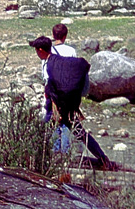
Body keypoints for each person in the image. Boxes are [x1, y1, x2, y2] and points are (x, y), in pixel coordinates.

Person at [29, 36, 110, 166]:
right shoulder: (56, 61)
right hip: (67, 105)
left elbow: (55, 86)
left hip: (60, 107)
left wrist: (58, 110)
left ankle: (47, 160)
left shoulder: (51, 64)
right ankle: (102, 159)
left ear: (41, 50)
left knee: (43, 129)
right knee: (80, 133)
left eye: (36, 51)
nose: (36, 54)